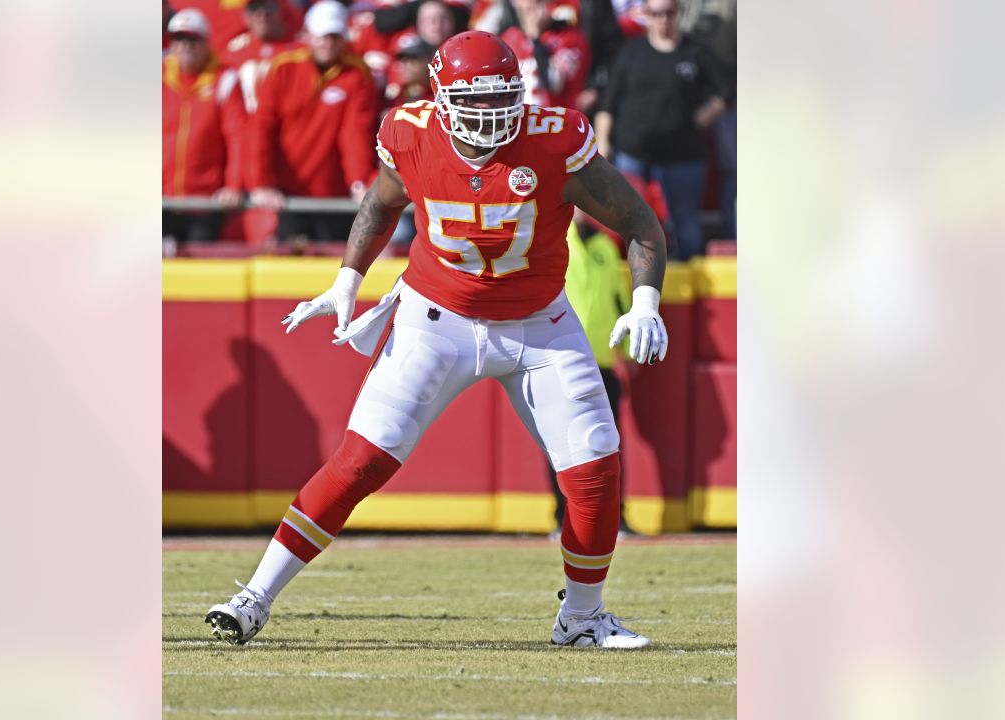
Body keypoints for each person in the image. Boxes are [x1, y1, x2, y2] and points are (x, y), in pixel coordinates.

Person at [207, 30, 668, 649]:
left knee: (593, 463)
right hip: (436, 318)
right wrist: (348, 279)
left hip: (539, 325)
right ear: (441, 97)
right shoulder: (409, 131)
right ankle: (254, 596)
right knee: (365, 456)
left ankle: (582, 618)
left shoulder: (554, 140)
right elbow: (379, 203)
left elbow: (639, 222)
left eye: (501, 100)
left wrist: (646, 300)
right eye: (474, 103)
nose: (489, 116)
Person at [594, 0, 732, 259]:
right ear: (647, 15)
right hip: (633, 154)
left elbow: (728, 87)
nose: (663, 20)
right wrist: (602, 143)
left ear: (678, 13)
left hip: (683, 156)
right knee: (629, 222)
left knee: (685, 224)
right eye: (656, 14)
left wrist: (706, 114)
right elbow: (607, 102)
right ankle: (636, 283)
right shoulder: (630, 52)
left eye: (669, 13)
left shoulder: (695, 51)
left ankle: (688, 292)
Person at [247, 1, 380, 243]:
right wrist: (262, 182)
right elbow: (262, 127)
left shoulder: (356, 74)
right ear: (308, 35)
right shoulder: (283, 67)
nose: (327, 43)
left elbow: (355, 133)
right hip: (287, 192)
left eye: (334, 36)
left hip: (335, 192)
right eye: (321, 36)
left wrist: (358, 180)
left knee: (334, 265)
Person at [547, 210, 636, 539]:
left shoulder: (606, 245)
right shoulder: (555, 238)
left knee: (608, 446)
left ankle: (616, 518)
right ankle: (562, 517)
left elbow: (619, 301)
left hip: (602, 362)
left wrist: (627, 351)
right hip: (563, 359)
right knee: (561, 445)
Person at [162, 8, 244, 243]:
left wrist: (233, 184)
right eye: (180, 39)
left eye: (193, 39)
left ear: (206, 43)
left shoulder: (225, 80)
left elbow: (237, 136)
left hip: (204, 203)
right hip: (160, 202)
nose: (186, 45)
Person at [501, 0, 590, 110]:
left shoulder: (569, 38)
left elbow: (552, 83)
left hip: (556, 120)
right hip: (519, 120)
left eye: (539, 2)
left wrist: (536, 39)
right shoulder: (509, 38)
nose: (531, 4)